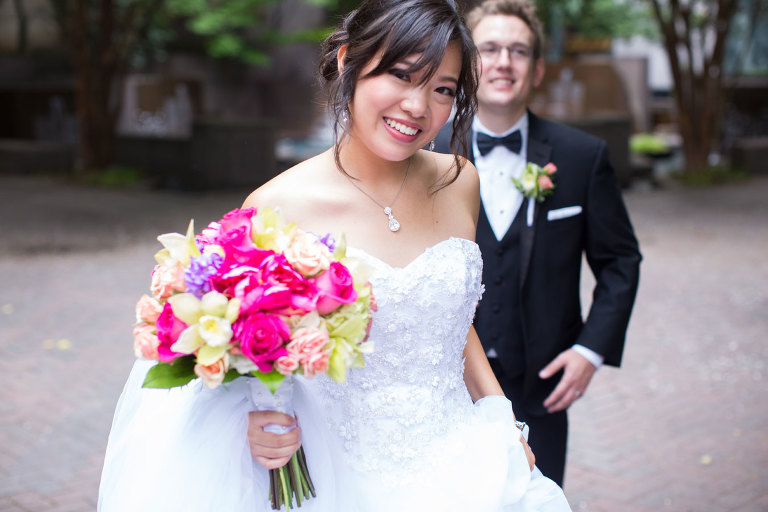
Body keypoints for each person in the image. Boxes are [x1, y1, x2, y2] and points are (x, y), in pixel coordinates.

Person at [98, 1, 572, 510]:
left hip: (463, 459)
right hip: (338, 471)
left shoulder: (459, 182)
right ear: (348, 60)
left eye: (442, 89)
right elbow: (238, 354)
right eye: (401, 74)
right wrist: (259, 419)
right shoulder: (277, 206)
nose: (417, 106)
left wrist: (501, 419)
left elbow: (451, 322)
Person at [434, 0, 642, 487]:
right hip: (444, 388)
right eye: (489, 48)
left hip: (542, 391)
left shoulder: (581, 155)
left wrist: (591, 349)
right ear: (467, 64)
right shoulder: (427, 153)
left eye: (519, 50)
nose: (504, 61)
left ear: (538, 68)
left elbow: (620, 261)